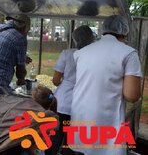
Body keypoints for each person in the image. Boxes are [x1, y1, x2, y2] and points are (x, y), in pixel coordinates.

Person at [71, 15, 142, 155]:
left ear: (103, 30)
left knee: (82, 150)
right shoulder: (128, 53)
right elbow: (132, 95)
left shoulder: (82, 52)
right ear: (125, 32)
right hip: (105, 119)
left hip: (80, 115)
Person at [51, 25, 95, 155]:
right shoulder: (94, 57)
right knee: (71, 141)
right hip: (82, 105)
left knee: (56, 137)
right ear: (92, 39)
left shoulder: (67, 53)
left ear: (75, 39)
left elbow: (55, 80)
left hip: (62, 103)